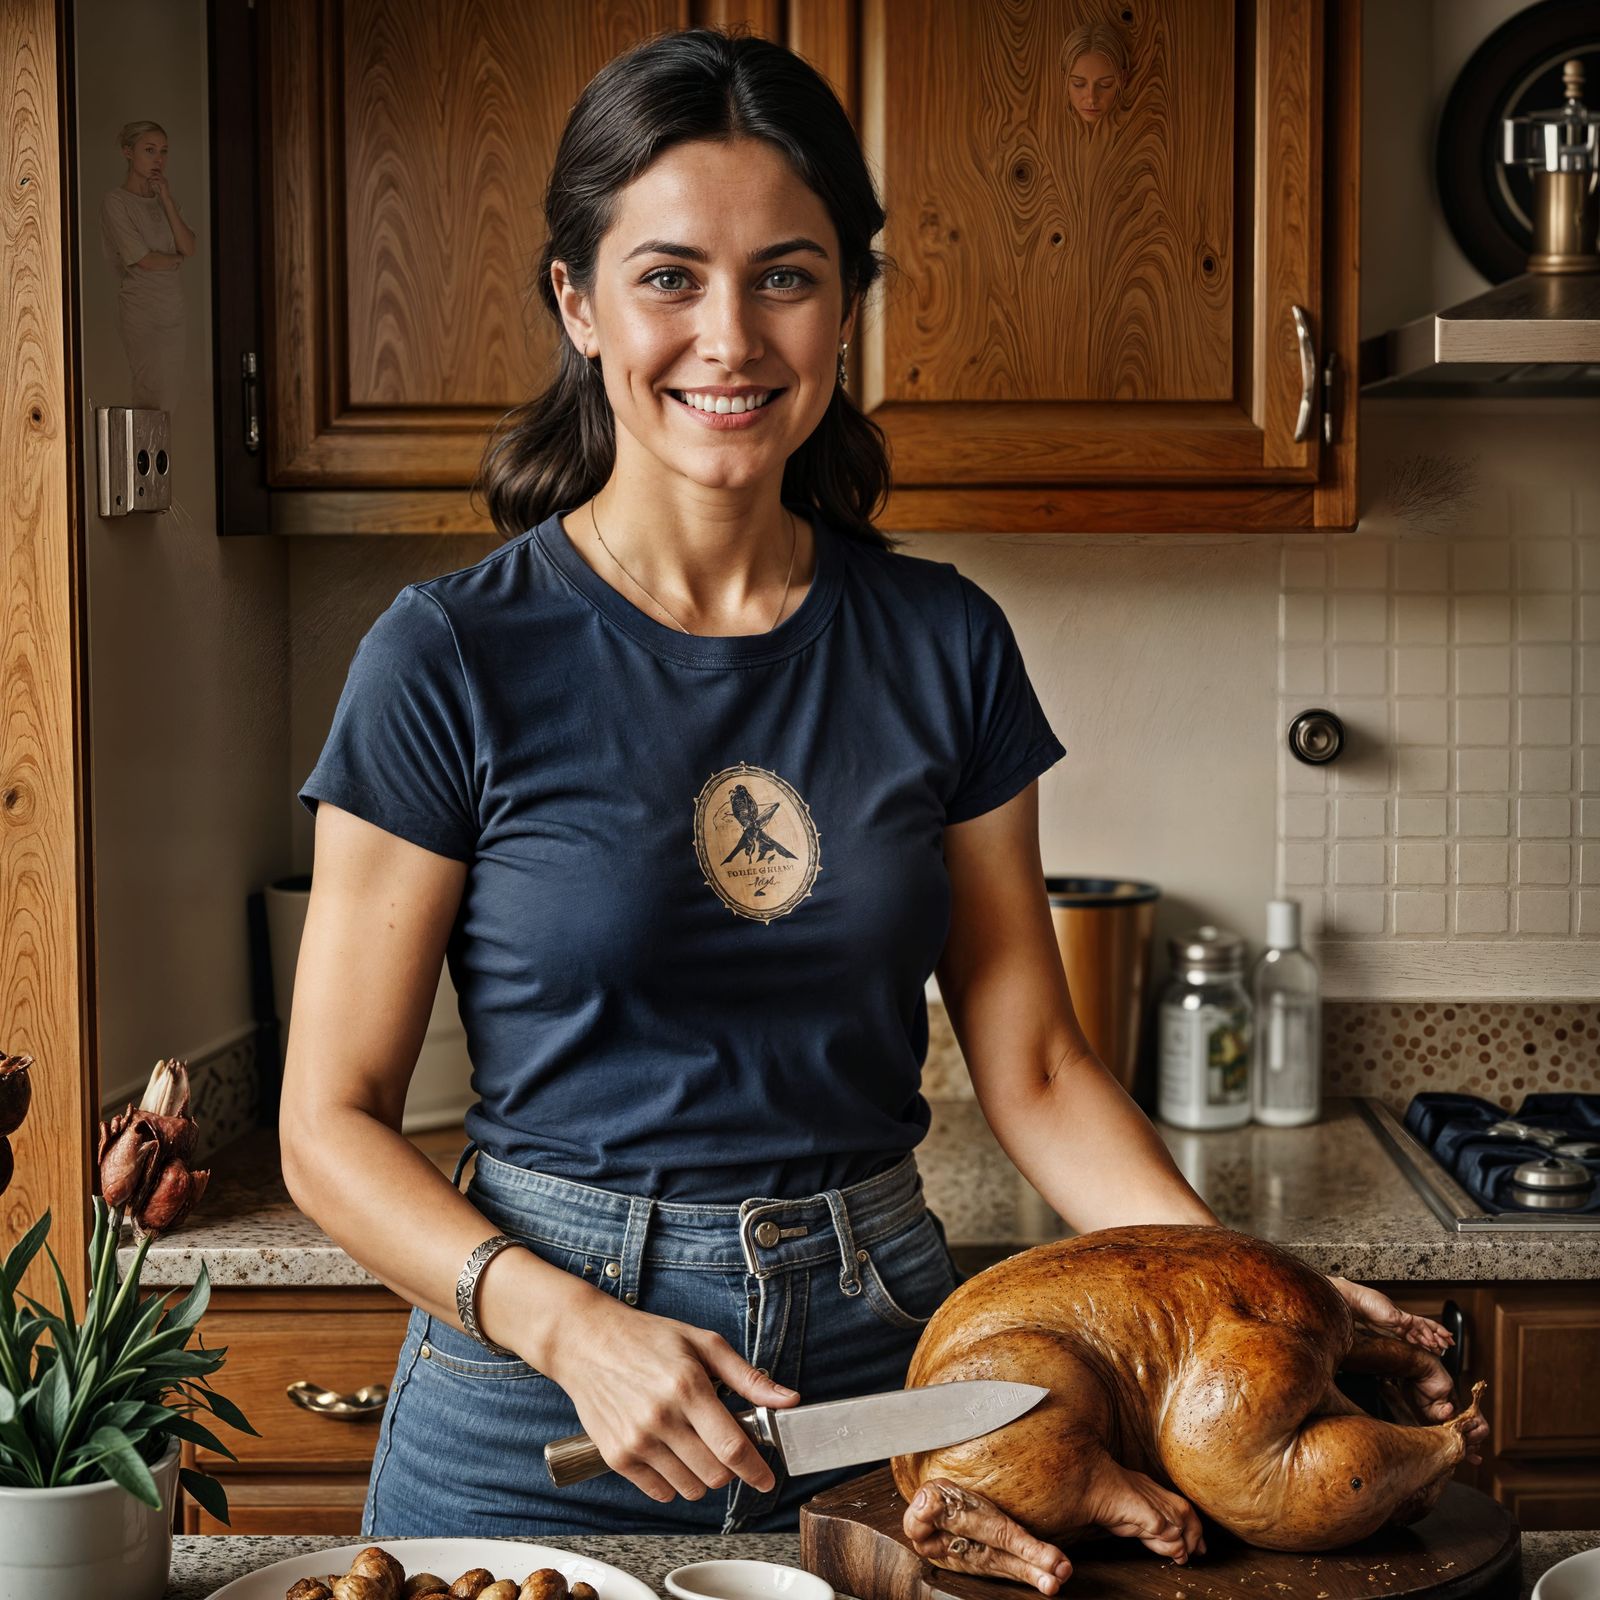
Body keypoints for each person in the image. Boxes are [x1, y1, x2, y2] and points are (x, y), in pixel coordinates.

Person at [283, 25, 1485, 1584]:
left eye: (785, 275)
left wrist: (1250, 1291)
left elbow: (1038, 1063)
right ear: (578, 303)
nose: (730, 336)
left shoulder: (943, 643)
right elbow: (326, 1125)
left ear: (843, 305)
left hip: (899, 1377)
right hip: (534, 1398)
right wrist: (568, 1322)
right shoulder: (448, 655)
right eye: (668, 277)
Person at [99, 121, 194, 414]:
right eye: (150, 150)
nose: (158, 159)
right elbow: (143, 259)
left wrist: (165, 199)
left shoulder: (165, 201)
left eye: (163, 151)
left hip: (173, 308)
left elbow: (189, 247)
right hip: (143, 309)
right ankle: (141, 459)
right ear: (128, 152)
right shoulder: (116, 202)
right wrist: (175, 260)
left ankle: (164, 457)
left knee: (171, 395)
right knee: (149, 392)